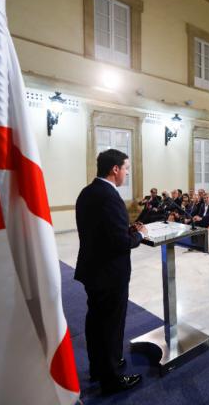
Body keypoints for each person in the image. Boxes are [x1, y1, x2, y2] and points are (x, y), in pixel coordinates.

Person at [75, 149, 145, 394]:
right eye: (126, 168)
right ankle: (113, 378)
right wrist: (138, 234)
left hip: (92, 270)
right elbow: (119, 243)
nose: (127, 172)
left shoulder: (87, 192)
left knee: (95, 323)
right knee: (111, 326)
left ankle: (100, 367)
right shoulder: (110, 196)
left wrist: (125, 228)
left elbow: (99, 231)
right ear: (115, 169)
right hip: (110, 274)